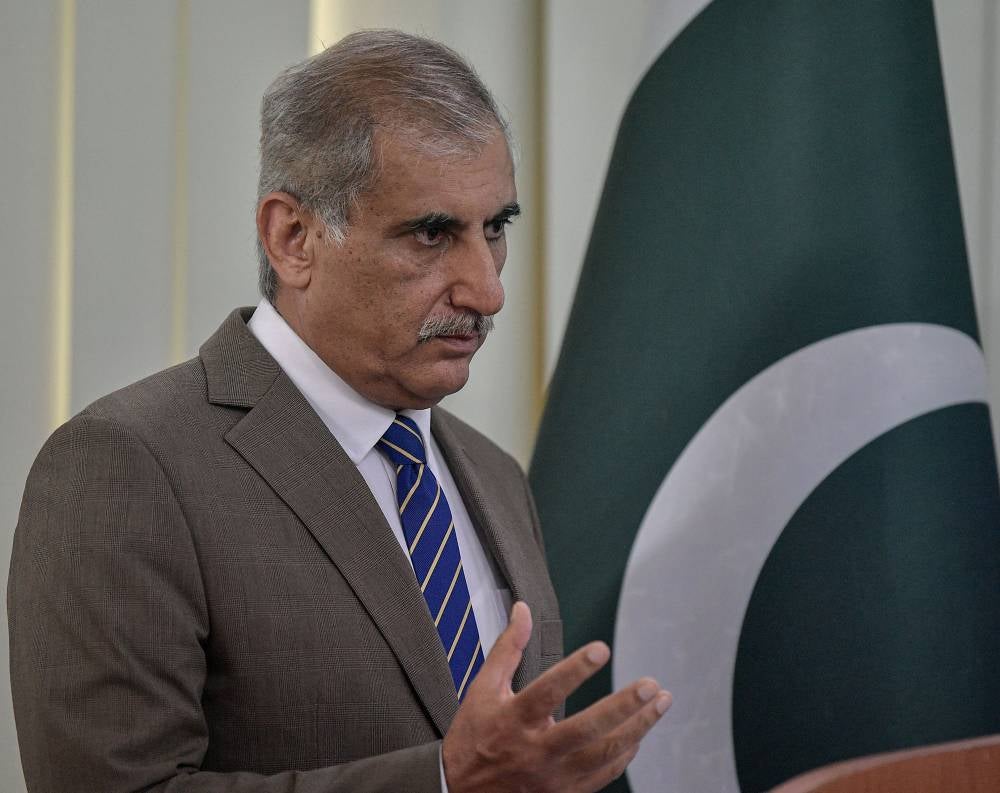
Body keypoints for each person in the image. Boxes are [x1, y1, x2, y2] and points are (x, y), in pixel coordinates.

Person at [8, 30, 671, 793]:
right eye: (432, 233)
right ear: (293, 238)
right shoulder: (127, 465)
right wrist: (443, 781)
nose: (487, 289)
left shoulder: (494, 475)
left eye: (495, 229)